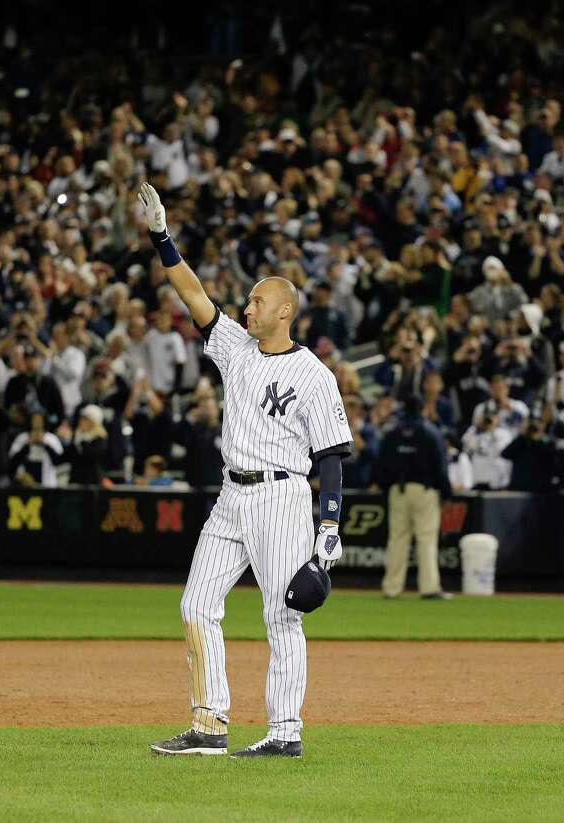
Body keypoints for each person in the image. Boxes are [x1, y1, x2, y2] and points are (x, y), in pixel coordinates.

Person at [138, 183, 352, 760]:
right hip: (232, 495)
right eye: (249, 303)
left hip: (281, 498)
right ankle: (210, 725)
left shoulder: (314, 375)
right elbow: (193, 294)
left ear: (285, 311)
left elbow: (331, 454)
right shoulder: (235, 346)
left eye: (258, 302)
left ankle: (285, 731)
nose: (247, 308)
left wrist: (328, 528)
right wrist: (162, 235)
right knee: (196, 604)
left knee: (283, 616)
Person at [375, 396, 454, 600]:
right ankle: (429, 588)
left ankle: (391, 588)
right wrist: (446, 493)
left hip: (398, 490)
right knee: (426, 540)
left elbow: (381, 463)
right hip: (424, 491)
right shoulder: (430, 432)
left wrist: (386, 487)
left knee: (397, 540)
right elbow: (440, 465)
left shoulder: (392, 433)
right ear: (423, 409)